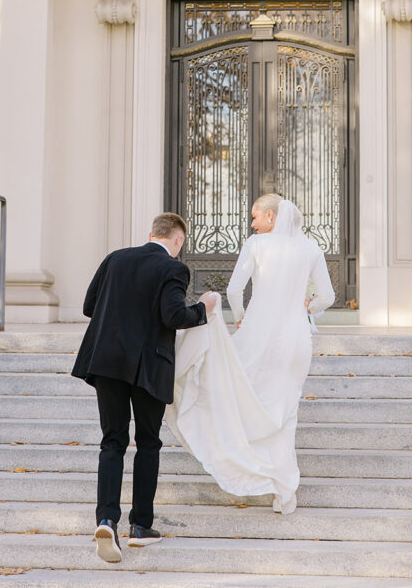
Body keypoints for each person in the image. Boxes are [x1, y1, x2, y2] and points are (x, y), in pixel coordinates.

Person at [166, 194, 335, 515]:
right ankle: (284, 492)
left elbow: (232, 290)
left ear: (272, 217)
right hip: (296, 338)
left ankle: (247, 466)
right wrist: (307, 307)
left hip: (258, 331)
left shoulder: (257, 245)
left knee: (245, 400)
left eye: (257, 216)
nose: (253, 223)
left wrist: (239, 317)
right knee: (285, 410)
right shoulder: (311, 248)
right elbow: (327, 296)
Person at [71, 212, 217, 564]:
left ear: (151, 233)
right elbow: (174, 317)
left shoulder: (115, 258)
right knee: (148, 443)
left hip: (105, 362)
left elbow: (90, 306)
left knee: (113, 441)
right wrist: (204, 308)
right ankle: (140, 527)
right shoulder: (174, 269)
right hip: (149, 366)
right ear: (178, 241)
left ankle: (106, 519)